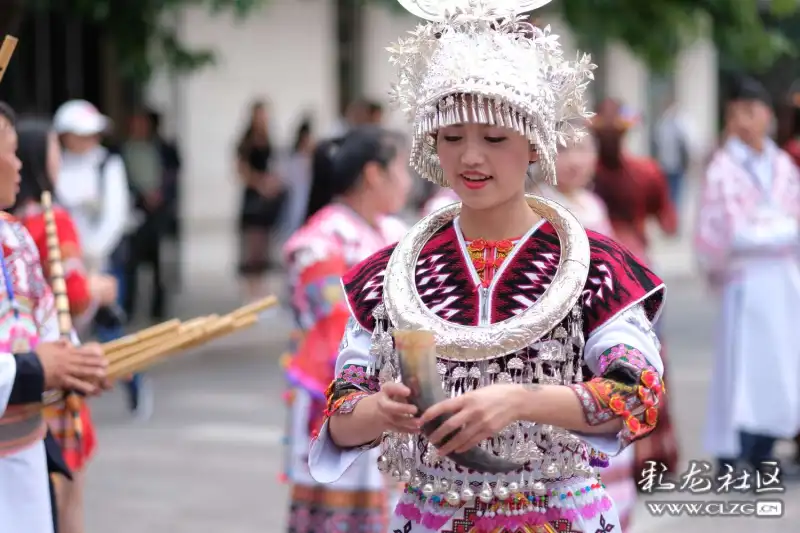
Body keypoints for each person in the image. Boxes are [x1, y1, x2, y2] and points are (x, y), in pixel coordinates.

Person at [308, 2, 667, 531]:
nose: (471, 157)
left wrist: (520, 400)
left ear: (532, 144)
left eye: (494, 138)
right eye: (453, 138)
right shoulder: (388, 276)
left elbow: (636, 395)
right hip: (430, 516)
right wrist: (381, 412)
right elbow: (340, 414)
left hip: (558, 516)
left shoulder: (594, 267)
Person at [282, 126, 411, 532]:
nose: (409, 182)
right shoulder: (320, 240)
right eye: (403, 169)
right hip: (337, 391)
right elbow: (334, 325)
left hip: (393, 393)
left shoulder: (396, 232)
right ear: (375, 174)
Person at [0, 102, 109, 533]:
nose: (19, 163)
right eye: (10, 150)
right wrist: (38, 368)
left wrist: (75, 365)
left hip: (25, 455)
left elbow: (47, 328)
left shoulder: (16, 237)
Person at [695, 76, 800, 477]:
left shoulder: (782, 165)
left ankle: (764, 448)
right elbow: (730, 234)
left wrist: (767, 229)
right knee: (740, 369)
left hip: (783, 281)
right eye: (735, 112)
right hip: (746, 281)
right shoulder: (723, 167)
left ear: (768, 116)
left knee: (779, 364)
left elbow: (790, 222)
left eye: (751, 111)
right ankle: (732, 454)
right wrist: (775, 231)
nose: (743, 120)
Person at [51, 100, 148, 419]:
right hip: (67, 264)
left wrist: (93, 254)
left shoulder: (108, 164)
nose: (89, 140)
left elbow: (115, 215)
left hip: (101, 262)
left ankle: (135, 388)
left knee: (111, 331)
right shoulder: (56, 164)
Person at [235, 99, 286, 301]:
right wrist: (260, 183)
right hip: (253, 196)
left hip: (268, 198)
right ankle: (251, 290)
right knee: (252, 243)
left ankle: (261, 290)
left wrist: (273, 183)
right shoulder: (246, 142)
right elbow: (241, 170)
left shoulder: (269, 140)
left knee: (265, 242)